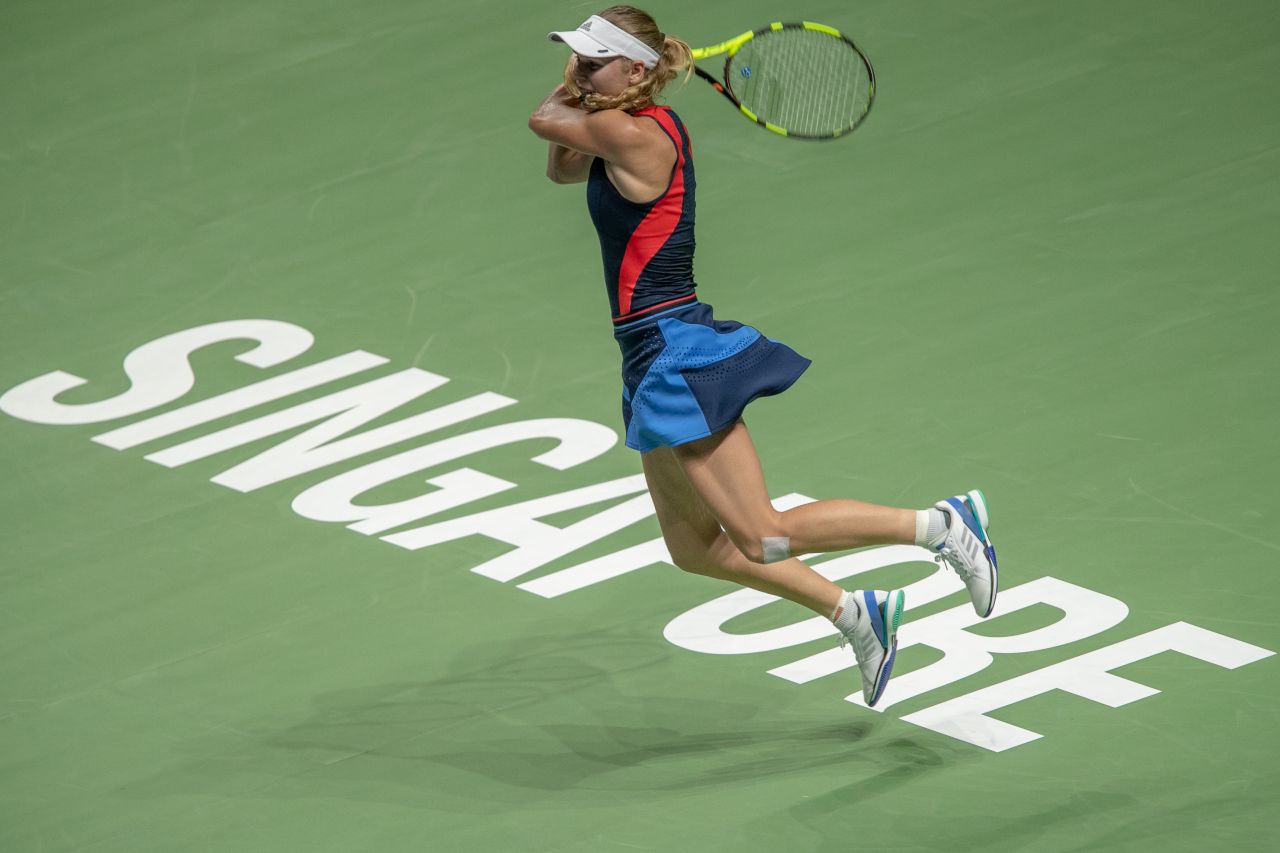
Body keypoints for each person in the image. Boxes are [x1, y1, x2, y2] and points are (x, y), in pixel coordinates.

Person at [528, 6, 999, 708]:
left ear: (635, 69)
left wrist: (574, 89)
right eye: (577, 58)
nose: (579, 69)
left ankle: (942, 525)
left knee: (764, 533)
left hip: (674, 354)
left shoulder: (627, 133)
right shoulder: (627, 125)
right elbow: (560, 170)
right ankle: (852, 612)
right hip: (647, 355)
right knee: (694, 547)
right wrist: (592, 83)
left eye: (594, 59)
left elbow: (544, 120)